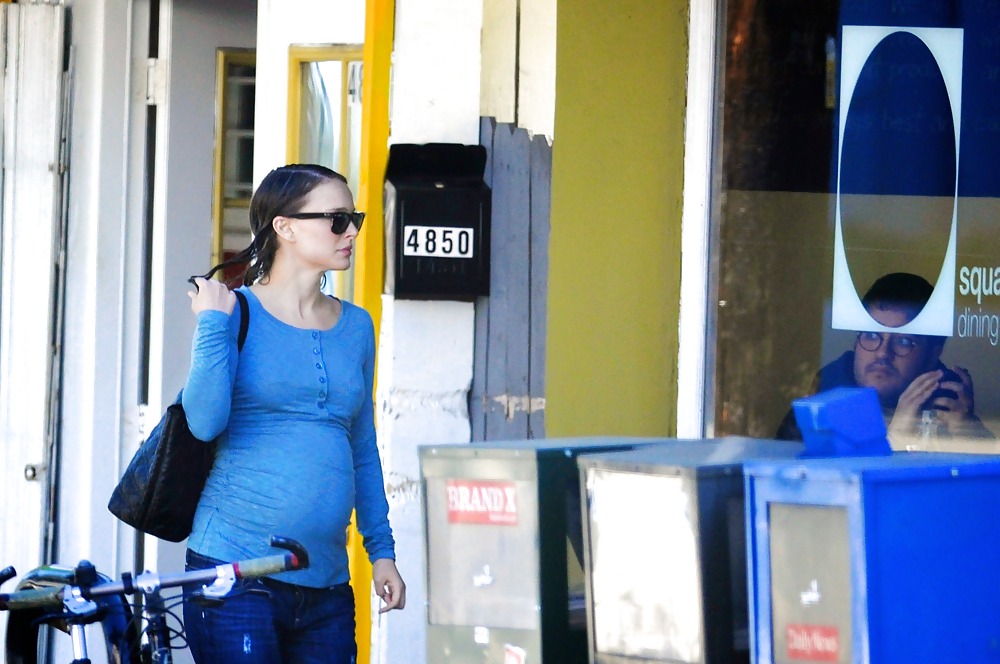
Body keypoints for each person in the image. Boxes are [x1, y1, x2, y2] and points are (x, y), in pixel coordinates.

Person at [179, 164, 405, 663]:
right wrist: (213, 325)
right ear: (284, 227)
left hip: (325, 580)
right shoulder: (233, 312)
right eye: (336, 219)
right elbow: (203, 422)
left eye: (355, 219)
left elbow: (362, 448)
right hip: (235, 572)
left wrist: (381, 553)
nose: (350, 233)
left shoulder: (357, 326)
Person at [776, 272, 994, 445]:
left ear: (934, 353)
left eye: (903, 342)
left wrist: (971, 435)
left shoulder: (948, 403)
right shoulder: (820, 402)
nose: (882, 353)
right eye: (871, 336)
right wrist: (898, 437)